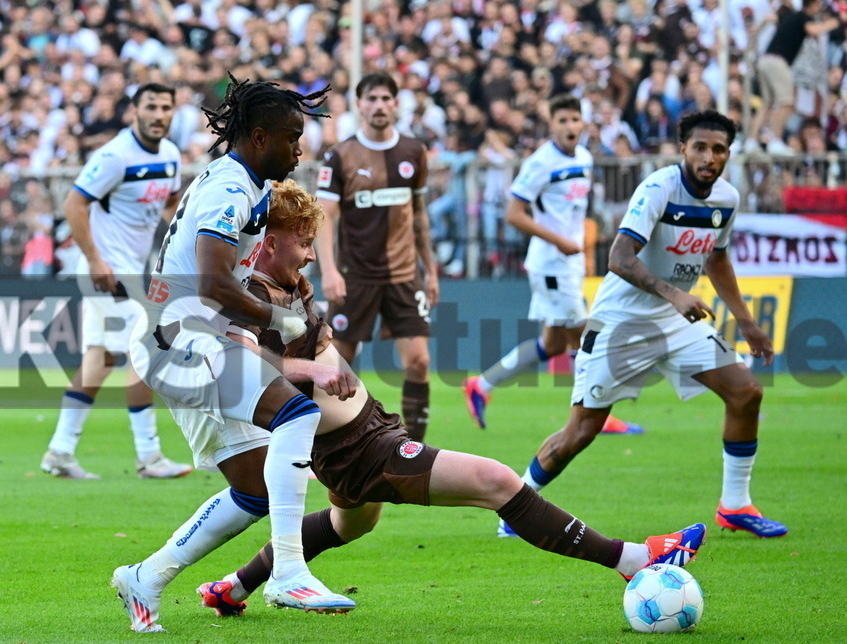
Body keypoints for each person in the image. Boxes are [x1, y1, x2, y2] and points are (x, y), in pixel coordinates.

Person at [191, 180, 706, 617]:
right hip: (354, 450)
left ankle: (234, 588)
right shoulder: (248, 295)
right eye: (302, 242)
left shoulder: (295, 283)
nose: (309, 253)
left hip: (370, 427)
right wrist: (310, 371)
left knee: (351, 522)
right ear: (269, 240)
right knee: (496, 480)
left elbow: (321, 348)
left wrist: (333, 368)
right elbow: (245, 369)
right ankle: (632, 558)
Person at [112, 78, 357, 633]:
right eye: (292, 138)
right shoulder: (230, 189)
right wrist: (282, 319)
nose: (300, 149)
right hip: (179, 338)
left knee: (255, 487)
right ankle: (289, 571)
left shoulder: (248, 186)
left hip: (189, 339)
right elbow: (214, 283)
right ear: (259, 136)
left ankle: (144, 578)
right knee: (298, 413)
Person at [494, 110, 787, 539]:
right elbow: (618, 258)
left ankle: (735, 505)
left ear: (728, 153)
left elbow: (717, 257)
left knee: (746, 393)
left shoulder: (726, 198)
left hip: (676, 320)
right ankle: (515, 509)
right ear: (683, 148)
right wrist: (675, 293)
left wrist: (747, 322)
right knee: (581, 432)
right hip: (622, 323)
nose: (709, 156)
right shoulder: (657, 189)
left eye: (719, 149)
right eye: (700, 147)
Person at [463, 96, 643, 537]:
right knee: (587, 335)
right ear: (551, 123)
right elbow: (514, 213)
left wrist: (573, 244)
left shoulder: (583, 156)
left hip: (569, 261)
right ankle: (595, 411)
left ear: (584, 122)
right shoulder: (540, 162)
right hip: (550, 262)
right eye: (562, 119)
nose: (569, 125)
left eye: (575, 118)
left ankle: (482, 384)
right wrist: (558, 241)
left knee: (554, 343)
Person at [40, 82, 193, 481]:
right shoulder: (114, 156)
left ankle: (59, 451)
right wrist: (94, 260)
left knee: (101, 359)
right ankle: (150, 456)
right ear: (134, 111)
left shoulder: (172, 155)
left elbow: (171, 204)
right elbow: (74, 203)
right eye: (151, 106)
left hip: (129, 269)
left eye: (166, 107)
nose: (159, 114)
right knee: (147, 350)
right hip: (108, 271)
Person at [315, 72, 438, 441]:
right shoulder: (340, 156)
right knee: (336, 366)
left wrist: (430, 271)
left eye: (386, 98)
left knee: (419, 362)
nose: (379, 106)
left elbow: (418, 214)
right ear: (359, 104)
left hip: (404, 275)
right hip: (356, 276)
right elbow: (325, 216)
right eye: (372, 99)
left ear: (396, 104)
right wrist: (330, 271)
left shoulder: (414, 152)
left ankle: (414, 449)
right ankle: (328, 444)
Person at [746, 0, 846, 154]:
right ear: (813, 5)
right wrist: (839, 20)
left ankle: (751, 142)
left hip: (765, 60)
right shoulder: (802, 17)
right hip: (778, 62)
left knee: (767, 103)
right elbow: (815, 30)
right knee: (787, 101)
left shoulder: (790, 16)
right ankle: (775, 141)